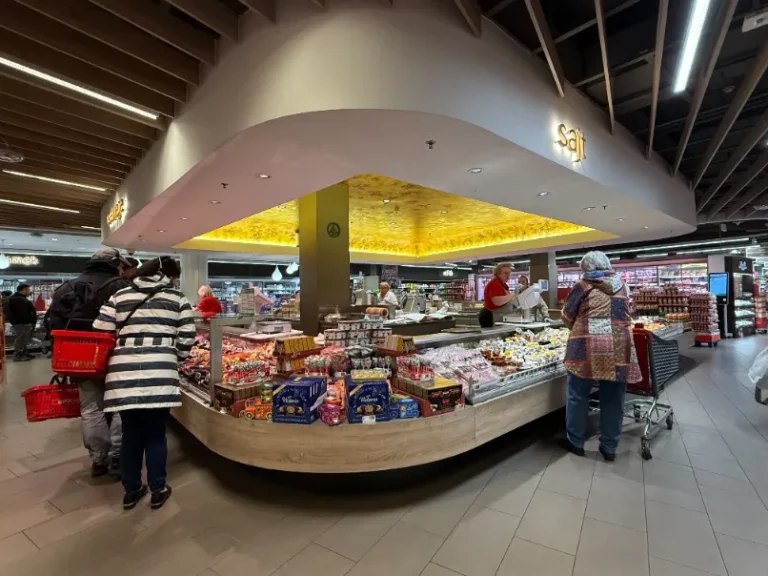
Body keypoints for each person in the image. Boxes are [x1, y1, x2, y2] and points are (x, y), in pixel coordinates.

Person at [94, 256, 196, 510]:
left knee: (130, 433)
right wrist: (172, 358)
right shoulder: (177, 298)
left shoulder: (120, 295)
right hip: (161, 372)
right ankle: (158, 489)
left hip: (122, 372)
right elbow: (187, 337)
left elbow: (100, 329)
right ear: (166, 275)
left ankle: (131, 490)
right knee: (155, 433)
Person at [48, 248, 131, 478]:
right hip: (117, 355)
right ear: (116, 265)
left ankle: (98, 459)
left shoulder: (66, 288)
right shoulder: (122, 287)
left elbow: (53, 326)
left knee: (91, 408)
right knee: (120, 406)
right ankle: (118, 456)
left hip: (79, 357)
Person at [560, 251, 641, 461]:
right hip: (618, 345)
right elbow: (628, 313)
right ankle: (609, 447)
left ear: (586, 269)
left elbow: (567, 316)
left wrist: (581, 326)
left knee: (578, 394)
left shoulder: (582, 286)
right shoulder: (622, 285)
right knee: (613, 397)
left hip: (584, 345)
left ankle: (576, 442)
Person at [6, 284, 37, 362]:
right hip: (21, 323)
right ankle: (18, 355)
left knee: (23, 339)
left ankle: (24, 353)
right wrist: (28, 321)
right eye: (28, 289)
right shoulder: (18, 299)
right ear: (24, 290)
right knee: (20, 339)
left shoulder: (19, 298)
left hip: (21, 323)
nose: (29, 291)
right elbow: (22, 313)